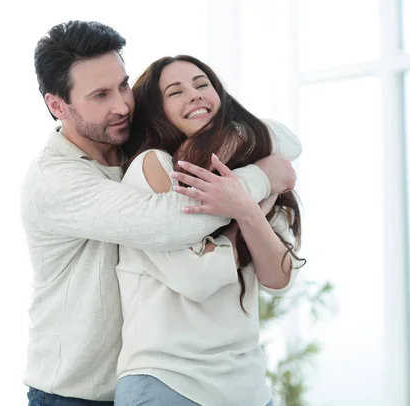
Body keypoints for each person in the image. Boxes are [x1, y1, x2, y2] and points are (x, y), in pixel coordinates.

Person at [22, 21, 298, 406]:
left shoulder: (132, 140)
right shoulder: (57, 181)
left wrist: (260, 157)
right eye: (100, 95)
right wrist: (263, 179)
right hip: (77, 394)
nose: (121, 105)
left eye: (123, 85)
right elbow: (171, 223)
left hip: (159, 382)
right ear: (58, 105)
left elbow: (281, 136)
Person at [113, 55, 306, 406]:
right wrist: (250, 205)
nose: (194, 94)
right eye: (176, 91)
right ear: (156, 111)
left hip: (247, 389)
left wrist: (248, 208)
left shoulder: (251, 174)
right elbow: (196, 279)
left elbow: (280, 279)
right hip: (168, 383)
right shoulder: (151, 168)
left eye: (203, 84)